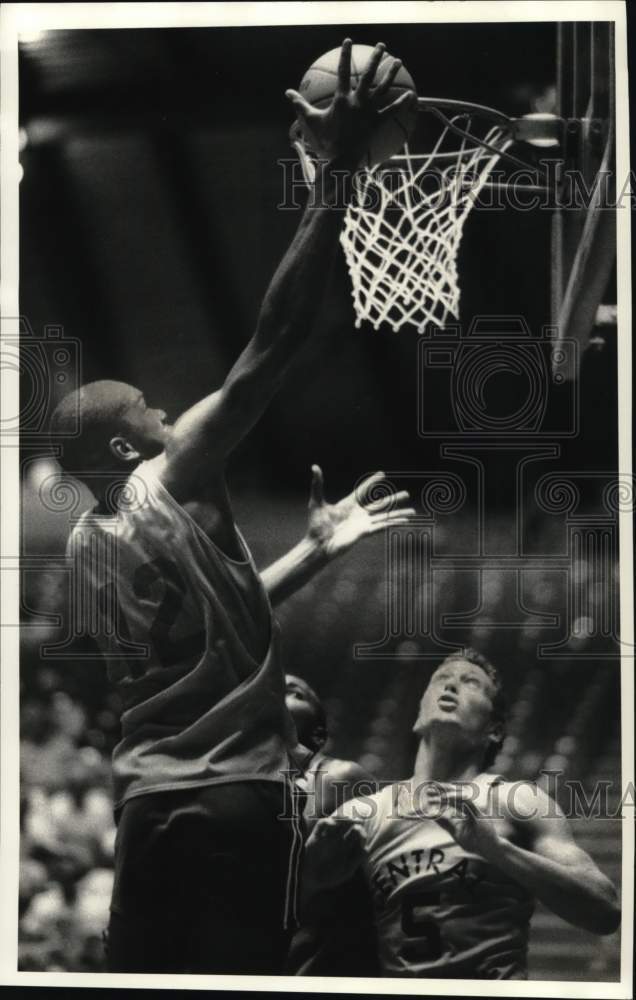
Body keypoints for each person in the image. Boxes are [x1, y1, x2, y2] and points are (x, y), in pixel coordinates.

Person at [47, 40, 417, 974]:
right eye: (151, 410)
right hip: (239, 793)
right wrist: (332, 181)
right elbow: (274, 343)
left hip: (145, 803)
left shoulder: (87, 550)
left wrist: (314, 553)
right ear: (129, 447)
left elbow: (207, 640)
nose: (172, 411)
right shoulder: (171, 474)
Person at [303, 648, 621, 979]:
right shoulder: (362, 813)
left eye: (470, 683)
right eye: (441, 680)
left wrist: (497, 850)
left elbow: (605, 910)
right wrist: (313, 879)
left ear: (495, 730)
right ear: (418, 715)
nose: (451, 686)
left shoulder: (516, 799)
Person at [284, 674, 380, 975]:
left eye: (298, 693)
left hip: (325, 960)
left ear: (319, 730)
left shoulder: (339, 777)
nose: (281, 691)